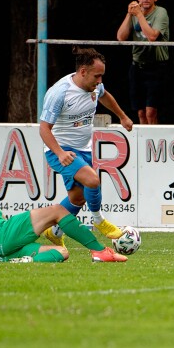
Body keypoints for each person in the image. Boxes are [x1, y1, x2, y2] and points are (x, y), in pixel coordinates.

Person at [0, 150, 127, 263]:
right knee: (57, 211)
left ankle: (18, 261)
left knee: (62, 252)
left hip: (1, 249)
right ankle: (99, 251)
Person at [38, 47, 133, 247]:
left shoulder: (95, 87)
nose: (99, 81)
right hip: (62, 151)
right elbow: (44, 129)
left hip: (84, 149)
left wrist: (122, 116)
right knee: (92, 180)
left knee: (77, 198)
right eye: (97, 76)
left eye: (102, 76)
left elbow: (105, 95)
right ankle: (98, 220)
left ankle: (53, 231)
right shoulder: (59, 93)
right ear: (83, 71)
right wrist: (60, 153)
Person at [116, 0, 170, 125]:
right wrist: (129, 14)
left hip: (157, 65)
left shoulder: (161, 12)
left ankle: (153, 141)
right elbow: (121, 37)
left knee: (151, 112)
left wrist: (139, 15)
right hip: (137, 65)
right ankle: (143, 142)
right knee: (140, 112)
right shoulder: (134, 13)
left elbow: (152, 36)